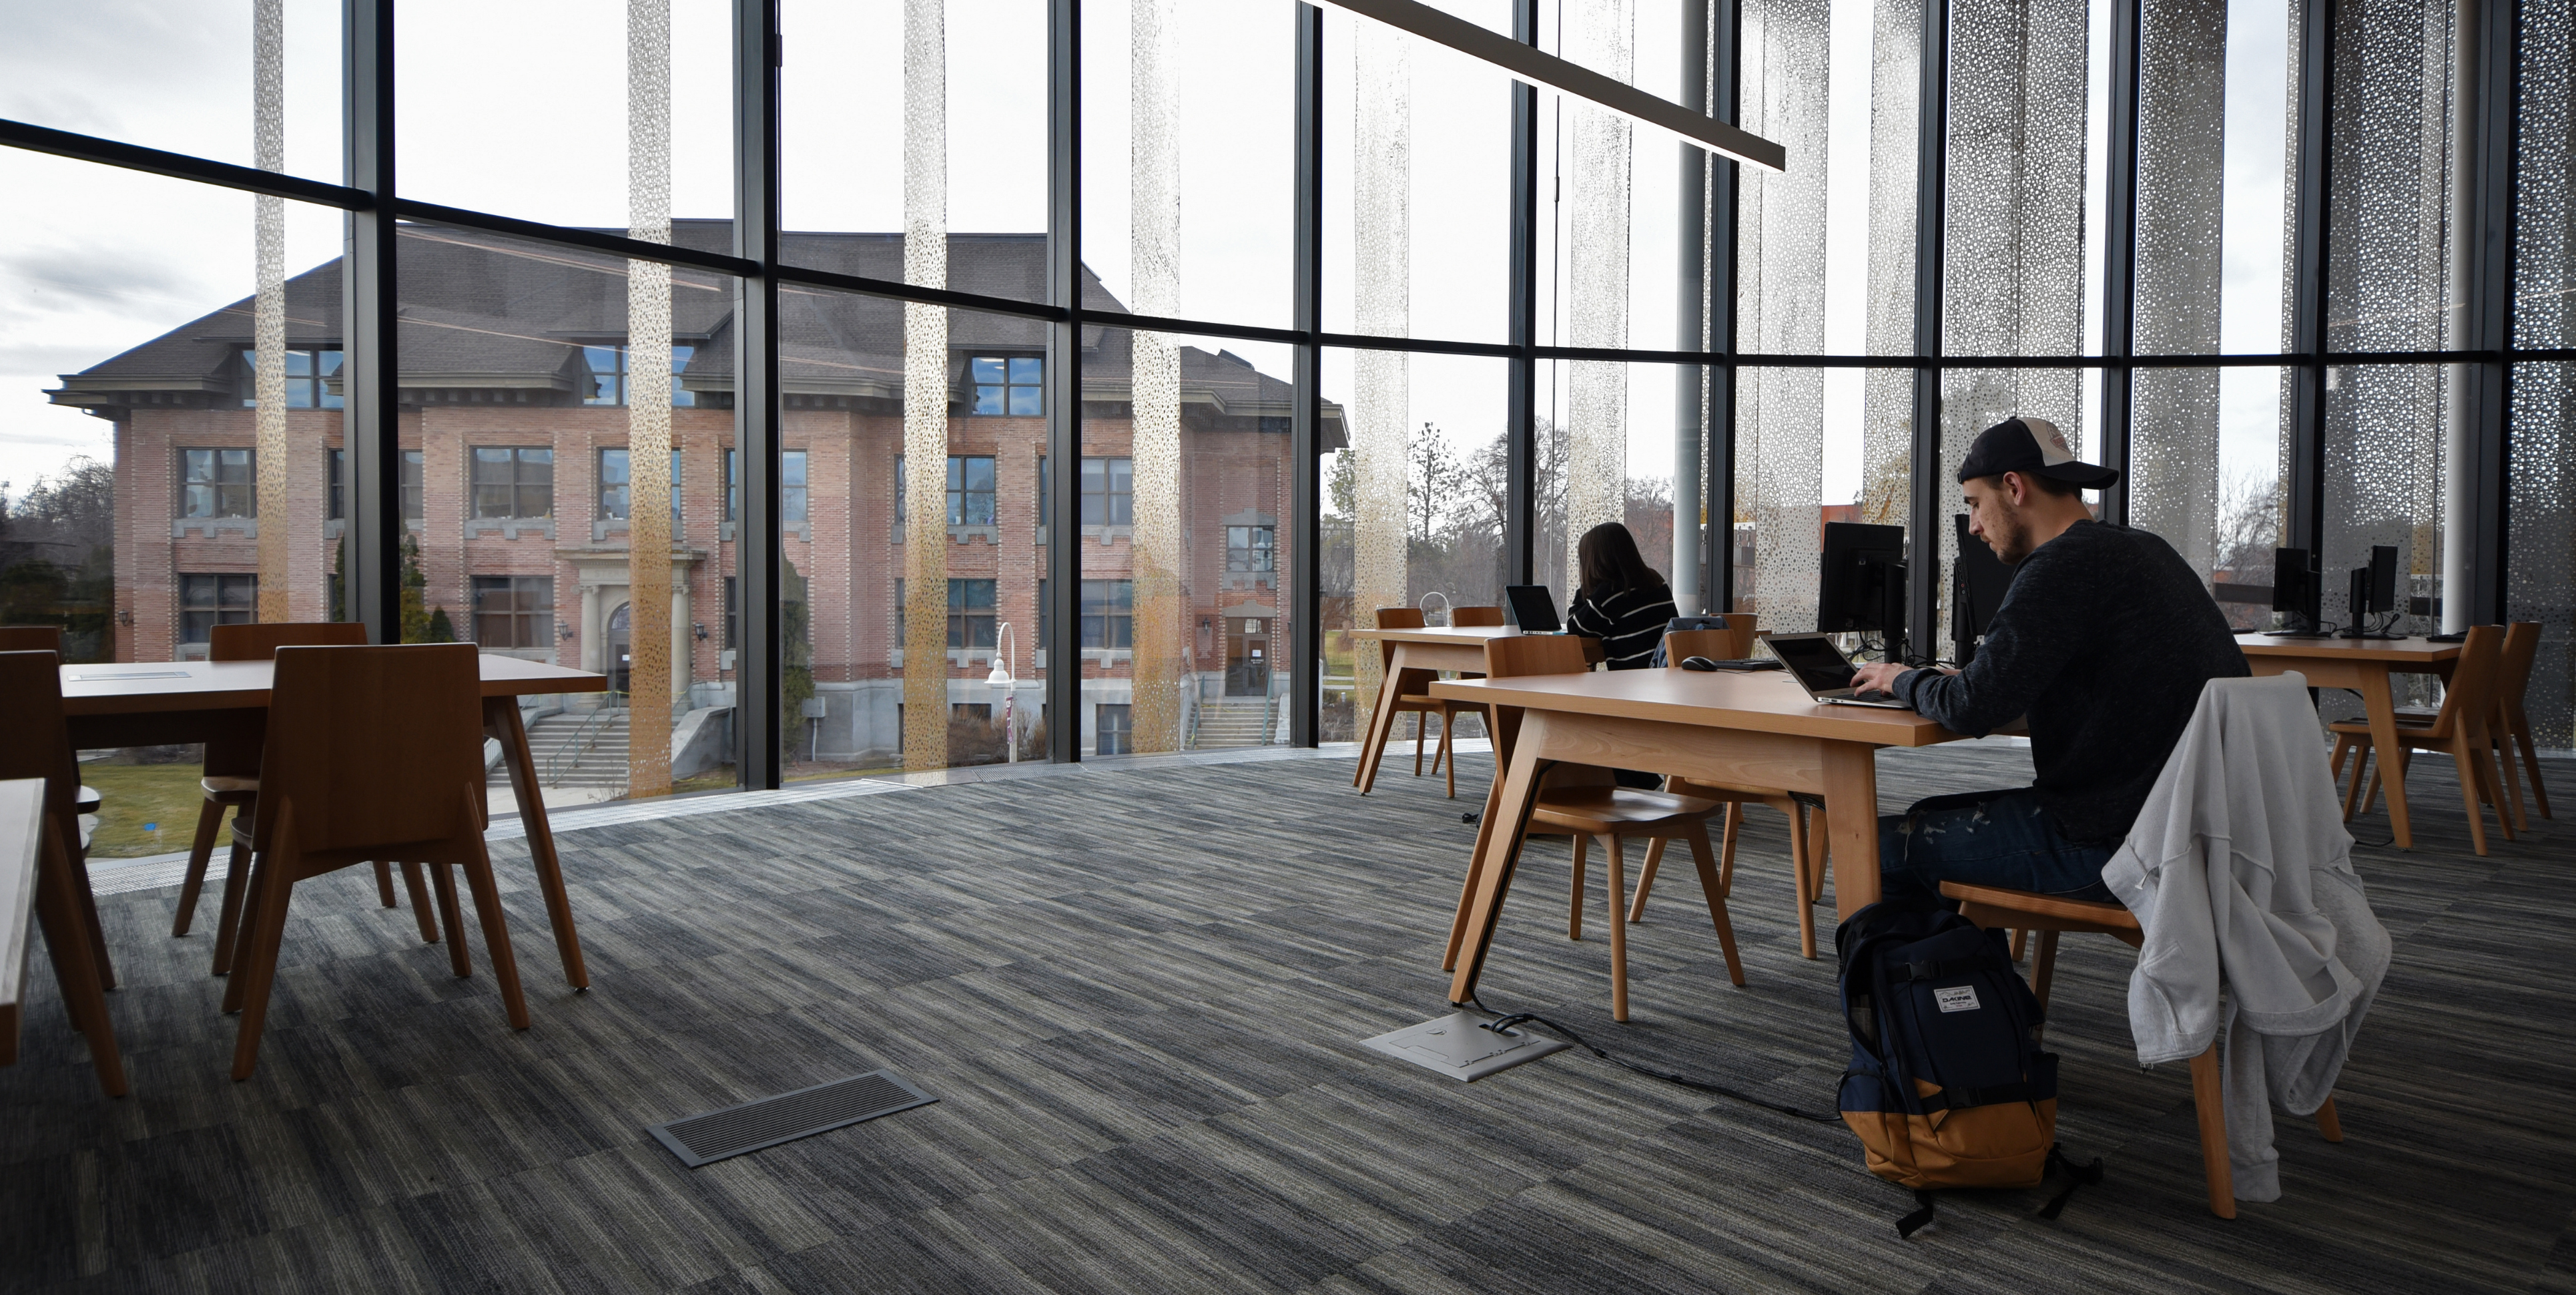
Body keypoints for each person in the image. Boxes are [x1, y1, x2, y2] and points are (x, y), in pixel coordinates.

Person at [1847, 416, 2248, 904]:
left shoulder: (2064, 564)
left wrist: (1903, 678)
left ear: (2014, 487)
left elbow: (1973, 707)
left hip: (2121, 845)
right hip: (2199, 832)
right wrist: (1974, 681)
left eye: (1975, 504)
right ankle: (1969, 977)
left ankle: (1945, 981)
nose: (1973, 526)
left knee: (1874, 848)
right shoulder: (2143, 548)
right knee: (1927, 811)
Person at [1566, 521, 1680, 671]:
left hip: (1634, 685)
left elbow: (1575, 628)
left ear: (1594, 563)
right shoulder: (1656, 580)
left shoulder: (1611, 592)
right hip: (1668, 678)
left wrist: (1585, 586)